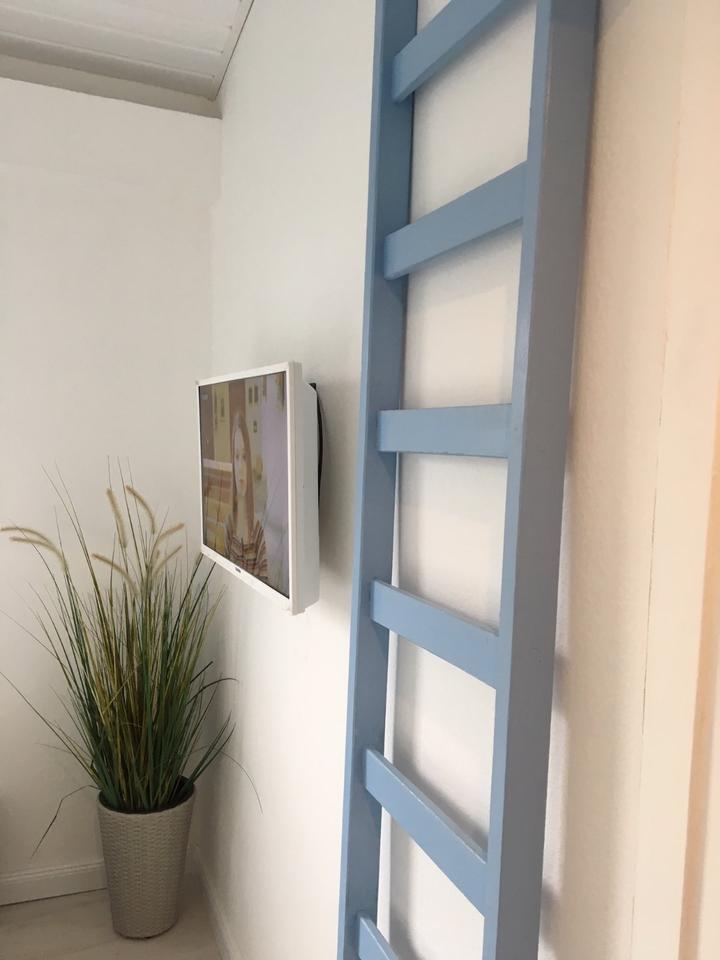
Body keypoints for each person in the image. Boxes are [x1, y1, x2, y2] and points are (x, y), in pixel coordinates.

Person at [225, 409, 267, 581]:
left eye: (244, 456)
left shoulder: (258, 533)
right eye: (236, 457)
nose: (240, 467)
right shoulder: (229, 525)